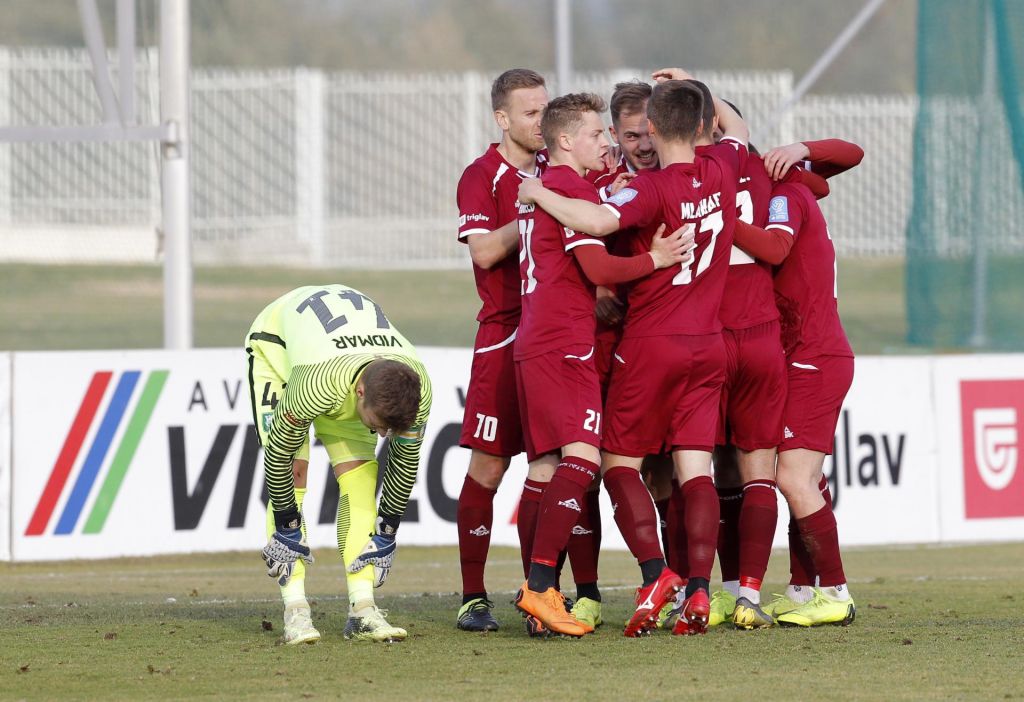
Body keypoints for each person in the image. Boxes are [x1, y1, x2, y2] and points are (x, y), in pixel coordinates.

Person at [519, 77, 749, 636]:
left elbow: (599, 227)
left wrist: (536, 194)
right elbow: (738, 130)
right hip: (709, 345)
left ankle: (624, 578)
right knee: (694, 470)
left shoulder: (645, 189)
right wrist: (695, 88)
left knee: (614, 464)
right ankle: (698, 589)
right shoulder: (722, 167)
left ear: (649, 128)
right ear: (702, 126)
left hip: (650, 343)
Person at [510, 92, 690, 636]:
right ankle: (540, 589)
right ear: (566, 141)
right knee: (585, 460)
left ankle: (544, 596)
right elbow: (594, 262)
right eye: (595, 134)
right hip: (562, 341)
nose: (607, 142)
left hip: (541, 338)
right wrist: (656, 260)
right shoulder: (563, 188)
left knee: (545, 468)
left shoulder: (560, 189)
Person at [248, 284, 431, 644]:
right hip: (279, 349)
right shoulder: (317, 385)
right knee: (295, 472)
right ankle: (295, 610)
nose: (382, 435)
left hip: (346, 360)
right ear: (360, 393)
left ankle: (363, 609)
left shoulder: (418, 388)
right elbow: (278, 459)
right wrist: (286, 525)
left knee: (363, 481)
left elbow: (404, 464)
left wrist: (387, 532)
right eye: (378, 424)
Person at [730, 165, 858, 627]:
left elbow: (774, 246)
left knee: (794, 480)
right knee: (804, 478)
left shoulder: (785, 194)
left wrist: (719, 215)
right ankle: (803, 589)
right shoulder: (788, 191)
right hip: (802, 355)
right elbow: (826, 176)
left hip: (814, 357)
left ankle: (837, 592)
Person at [454, 68, 549, 632]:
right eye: (531, 112)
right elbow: (486, 251)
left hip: (556, 338)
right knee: (488, 469)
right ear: (503, 119)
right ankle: (472, 597)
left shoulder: (555, 169)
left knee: (550, 468)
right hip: (503, 335)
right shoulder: (481, 176)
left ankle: (539, 595)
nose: (541, 121)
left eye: (545, 109)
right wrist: (535, 207)